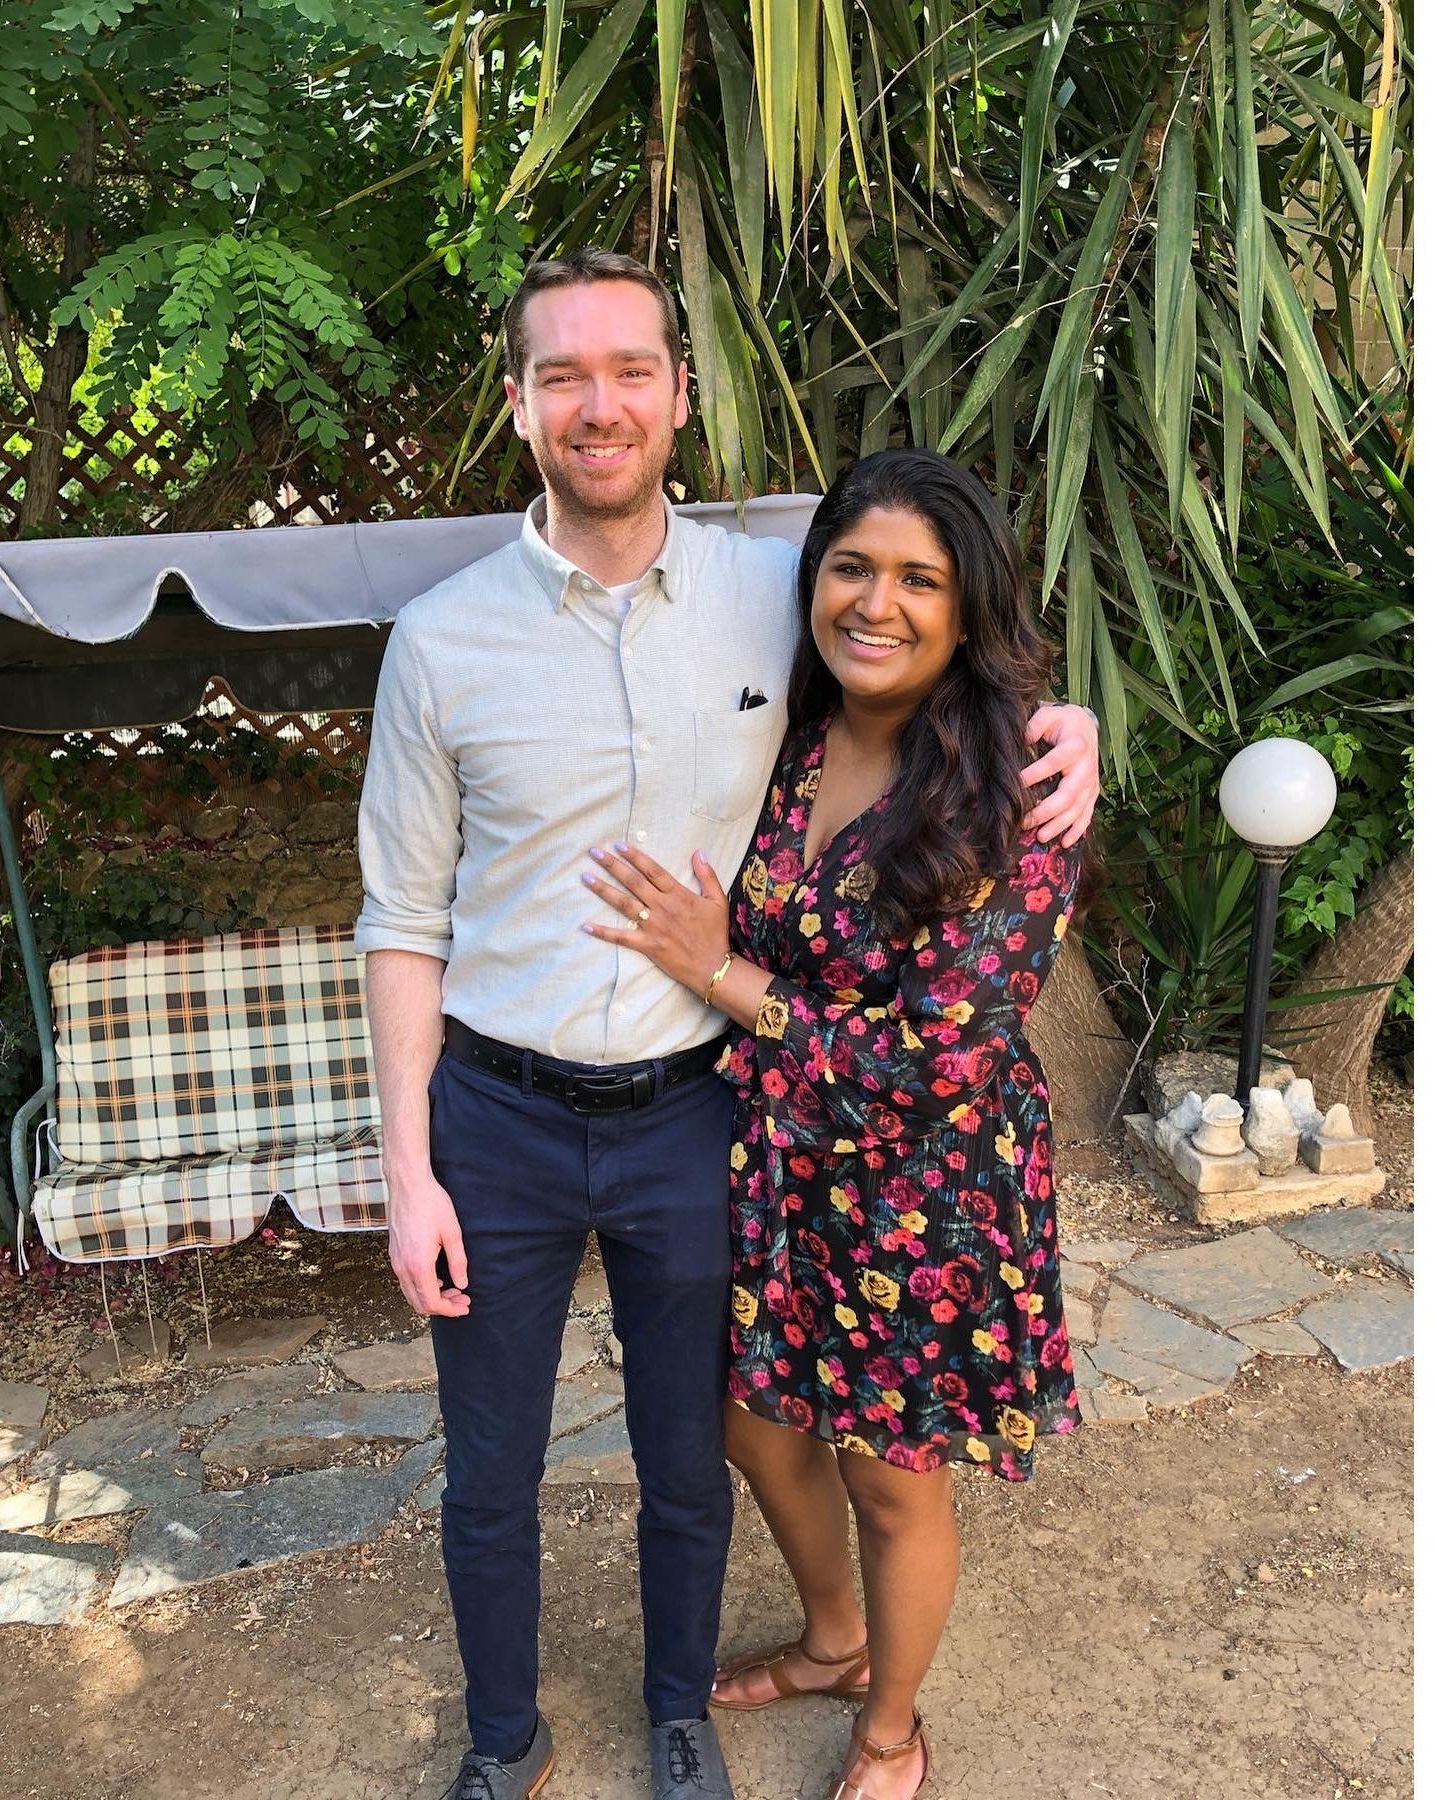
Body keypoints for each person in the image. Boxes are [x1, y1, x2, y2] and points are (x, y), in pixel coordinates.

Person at [354, 250, 1099, 1800]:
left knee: (700, 1453)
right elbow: (404, 921)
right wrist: (408, 1169)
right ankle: (510, 1740)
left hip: (736, 1124)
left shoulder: (775, 595)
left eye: (632, 369)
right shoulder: (446, 641)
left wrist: (1069, 719)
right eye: (564, 374)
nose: (601, 404)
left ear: (680, 395)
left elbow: (943, 627)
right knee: (528, 1464)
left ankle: (707, 1716)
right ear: (518, 403)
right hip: (527, 1119)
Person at [581, 447, 1085, 1800]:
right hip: (775, 1164)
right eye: (853, 568)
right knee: (753, 1424)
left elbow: (937, 1060)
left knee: (892, 1480)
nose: (878, 603)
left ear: (971, 611)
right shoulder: (788, 731)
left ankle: (892, 1730)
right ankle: (837, 1640)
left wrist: (723, 977)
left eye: (921, 580)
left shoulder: (1014, 794)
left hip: (926, 1190)